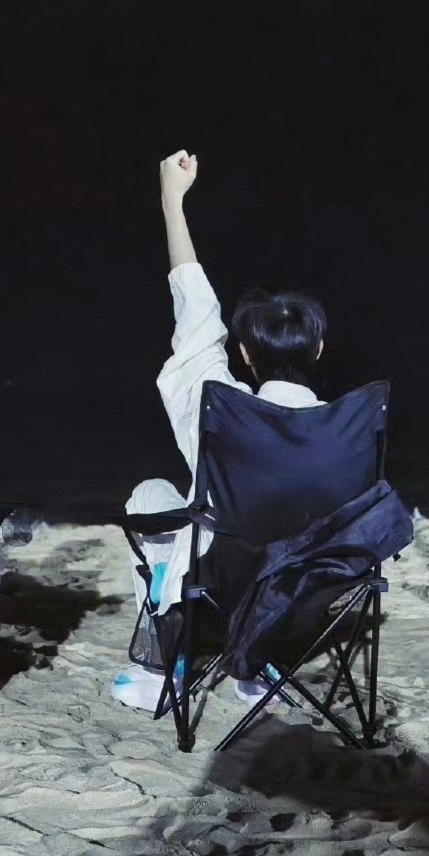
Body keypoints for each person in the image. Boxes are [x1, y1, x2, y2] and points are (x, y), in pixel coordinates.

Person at [111, 150, 330, 713]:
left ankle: (163, 658)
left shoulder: (222, 409)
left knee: (151, 495)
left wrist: (172, 201)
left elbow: (195, 316)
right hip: (304, 588)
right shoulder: (343, 425)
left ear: (245, 354)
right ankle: (254, 661)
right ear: (318, 350)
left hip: (219, 579)